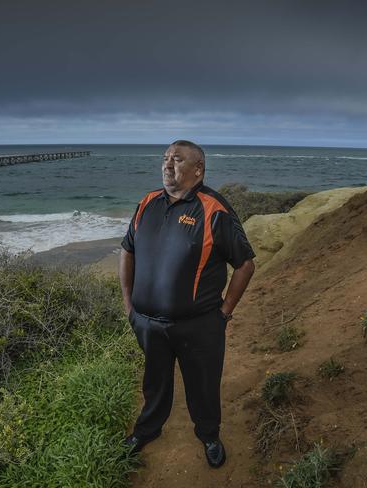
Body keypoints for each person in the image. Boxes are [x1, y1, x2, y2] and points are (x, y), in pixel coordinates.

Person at [119, 140, 256, 468]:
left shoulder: (214, 209)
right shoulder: (147, 203)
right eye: (165, 159)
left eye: (177, 160)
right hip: (147, 323)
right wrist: (129, 306)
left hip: (199, 325)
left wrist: (224, 313)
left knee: (203, 383)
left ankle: (209, 435)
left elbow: (245, 264)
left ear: (198, 169)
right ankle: (147, 430)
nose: (168, 165)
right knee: (154, 381)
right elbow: (128, 250)